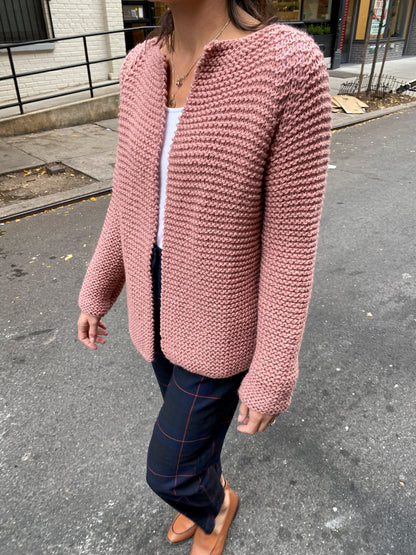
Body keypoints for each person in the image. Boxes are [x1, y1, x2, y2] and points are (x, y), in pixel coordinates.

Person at [77, 1, 332, 553]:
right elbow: (127, 196)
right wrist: (97, 290)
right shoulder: (141, 64)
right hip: (153, 297)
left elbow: (291, 240)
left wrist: (275, 365)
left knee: (168, 469)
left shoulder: (288, 65)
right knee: (194, 443)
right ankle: (205, 485)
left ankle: (213, 507)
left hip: (222, 315)